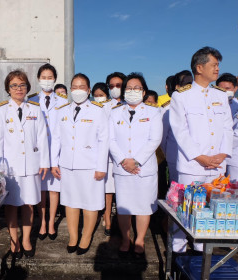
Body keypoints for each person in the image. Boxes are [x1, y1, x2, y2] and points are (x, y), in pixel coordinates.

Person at [169, 47, 233, 253]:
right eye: (214, 65)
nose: (217, 69)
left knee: (209, 209)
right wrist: (200, 157)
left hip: (217, 165)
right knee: (186, 208)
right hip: (193, 164)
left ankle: (201, 248)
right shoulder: (182, 96)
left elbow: (227, 128)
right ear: (199, 67)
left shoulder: (221, 95)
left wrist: (222, 155)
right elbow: (180, 131)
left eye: (217, 65)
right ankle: (178, 248)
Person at [0, 69, 49, 259]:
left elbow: (42, 138)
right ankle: (14, 240)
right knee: (11, 205)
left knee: (29, 205)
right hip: (10, 168)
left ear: (28, 87)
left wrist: (45, 162)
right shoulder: (0, 110)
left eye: (22, 84)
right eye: (14, 85)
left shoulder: (35, 109)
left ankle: (26, 239)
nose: (19, 88)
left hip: (31, 165)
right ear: (8, 89)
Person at [51, 73, 109, 255]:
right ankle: (73, 236)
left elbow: (104, 140)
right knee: (70, 202)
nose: (77, 90)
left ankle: (86, 237)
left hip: (91, 166)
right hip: (67, 165)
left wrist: (101, 167)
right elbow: (56, 139)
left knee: (90, 203)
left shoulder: (98, 111)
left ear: (89, 90)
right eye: (74, 87)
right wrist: (54, 162)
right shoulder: (62, 111)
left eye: (81, 87)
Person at [109, 72, 162, 259]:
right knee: (124, 207)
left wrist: (136, 160)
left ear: (144, 91)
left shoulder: (154, 112)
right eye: (129, 88)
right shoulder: (114, 112)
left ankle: (140, 239)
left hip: (144, 168)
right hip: (122, 168)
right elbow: (110, 139)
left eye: (137, 88)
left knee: (143, 206)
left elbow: (154, 139)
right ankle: (126, 238)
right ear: (123, 92)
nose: (133, 91)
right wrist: (124, 161)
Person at [27, 63, 68, 241]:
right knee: (41, 189)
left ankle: (51, 222)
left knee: (54, 190)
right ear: (38, 79)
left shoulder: (63, 101)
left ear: (55, 79)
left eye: (50, 77)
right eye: (43, 77)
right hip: (39, 151)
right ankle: (42, 222)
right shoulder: (31, 100)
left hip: (57, 152)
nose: (46, 80)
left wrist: (56, 159)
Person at [161, 70, 193, 184]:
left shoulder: (198, 105)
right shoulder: (167, 109)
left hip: (196, 159)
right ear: (177, 87)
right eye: (186, 84)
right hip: (175, 155)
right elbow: (163, 137)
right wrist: (169, 153)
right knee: (176, 190)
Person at [91, 82, 115, 236]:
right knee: (95, 186)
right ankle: (96, 214)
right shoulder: (90, 107)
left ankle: (107, 216)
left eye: (102, 95)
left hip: (110, 153)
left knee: (108, 189)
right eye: (96, 95)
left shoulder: (114, 107)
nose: (99, 98)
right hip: (94, 153)